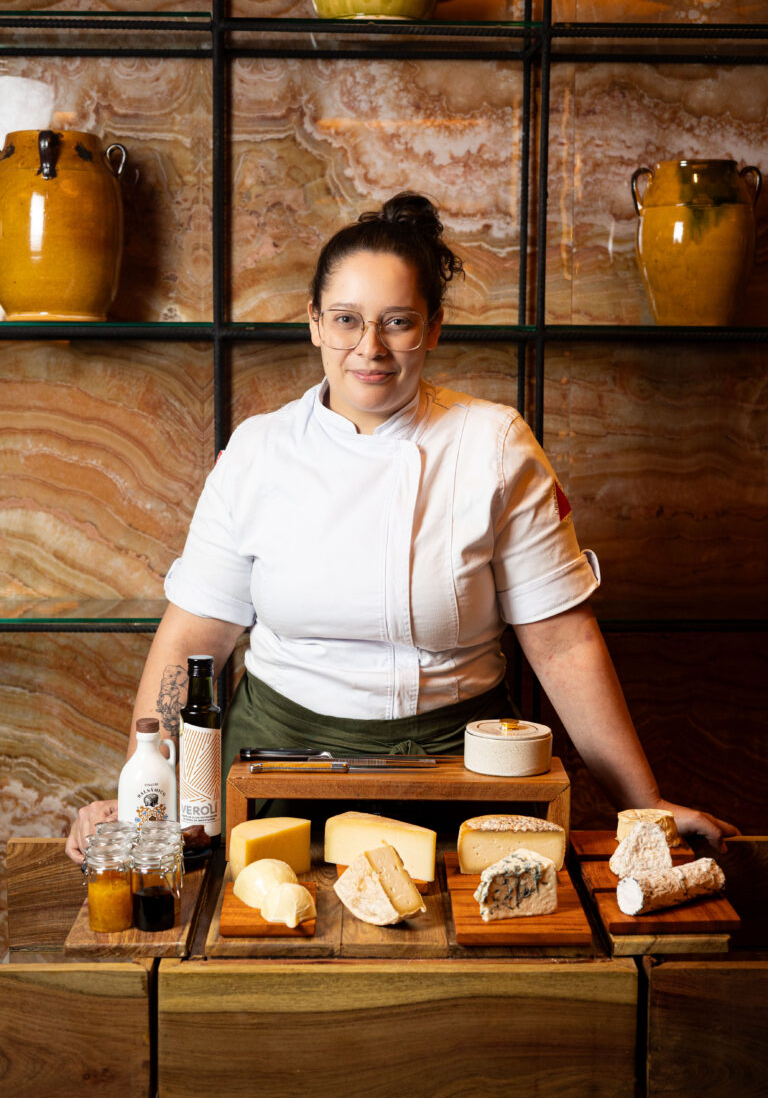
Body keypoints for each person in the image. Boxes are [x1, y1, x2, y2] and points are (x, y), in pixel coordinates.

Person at [65, 191, 737, 863]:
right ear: (314, 325)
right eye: (347, 320)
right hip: (273, 775)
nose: (371, 348)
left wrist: (642, 808)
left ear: (435, 327)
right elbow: (192, 638)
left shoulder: (495, 446)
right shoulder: (258, 453)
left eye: (398, 322)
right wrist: (143, 800)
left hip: (462, 778)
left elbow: (562, 642)